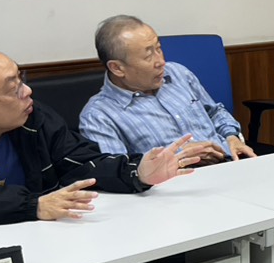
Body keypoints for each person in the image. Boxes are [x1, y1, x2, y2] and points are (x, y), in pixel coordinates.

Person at [0, 41, 192, 228]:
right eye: (13, 88)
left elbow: (81, 162)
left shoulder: (32, 119)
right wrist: (33, 205)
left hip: (34, 243)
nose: (27, 91)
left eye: (21, 78)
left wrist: (136, 171)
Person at [78, 15, 255, 163]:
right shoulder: (98, 116)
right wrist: (178, 157)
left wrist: (232, 137)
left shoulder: (178, 73)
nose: (161, 61)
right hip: (178, 185)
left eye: (159, 49)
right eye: (148, 56)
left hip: (231, 164)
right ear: (117, 68)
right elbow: (119, 173)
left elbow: (214, 112)